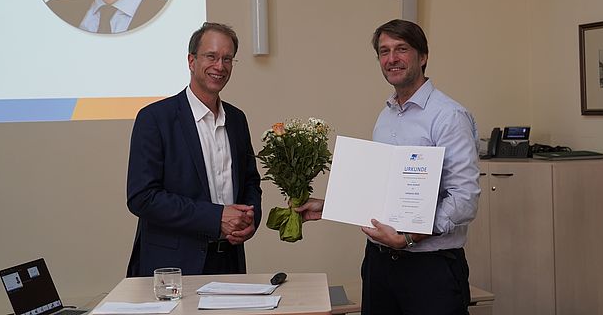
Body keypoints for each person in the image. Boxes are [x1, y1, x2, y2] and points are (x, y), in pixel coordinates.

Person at [295, 19, 480, 315]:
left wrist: (409, 237)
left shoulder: (449, 116)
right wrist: (330, 205)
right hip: (379, 265)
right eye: (384, 51)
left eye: (401, 49)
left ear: (423, 56)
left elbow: (464, 200)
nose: (391, 59)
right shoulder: (386, 117)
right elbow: (384, 193)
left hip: (430, 270)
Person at [125, 22, 262, 276]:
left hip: (229, 262)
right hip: (173, 268)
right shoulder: (155, 118)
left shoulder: (237, 119)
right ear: (191, 61)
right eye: (211, 56)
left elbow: (251, 182)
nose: (219, 66)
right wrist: (216, 216)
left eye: (227, 59)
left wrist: (250, 219)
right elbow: (142, 197)